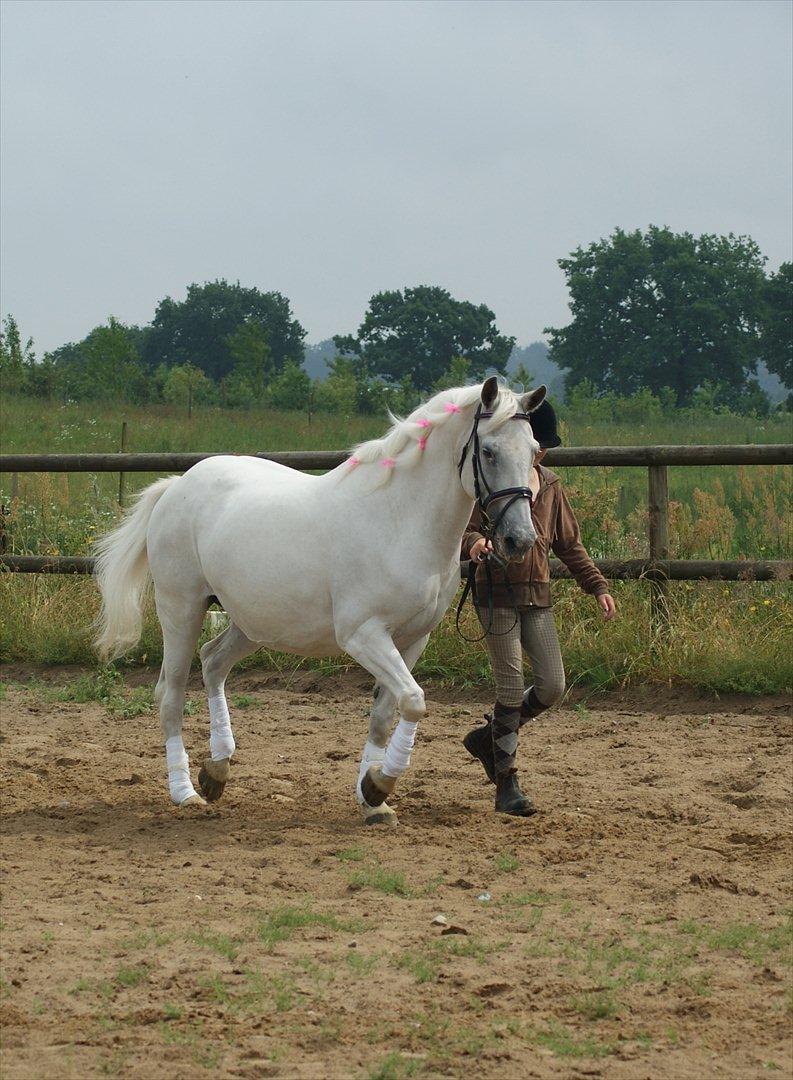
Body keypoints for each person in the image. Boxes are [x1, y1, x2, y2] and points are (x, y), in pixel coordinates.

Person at [460, 399, 616, 817]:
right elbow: (465, 529)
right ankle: (507, 783)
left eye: (541, 446)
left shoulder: (549, 486)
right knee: (510, 689)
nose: (539, 451)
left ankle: (485, 739)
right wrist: (475, 544)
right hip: (495, 596)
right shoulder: (494, 482)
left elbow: (569, 544)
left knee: (552, 686)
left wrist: (596, 585)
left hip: (537, 595)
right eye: (535, 444)